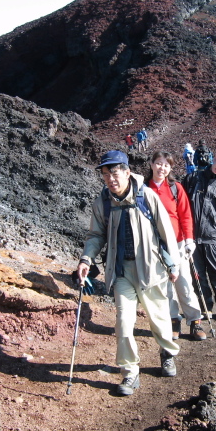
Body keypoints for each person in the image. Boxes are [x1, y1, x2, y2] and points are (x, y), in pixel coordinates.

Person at [76, 150, 180, 396]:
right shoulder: (102, 201)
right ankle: (130, 372)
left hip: (151, 269)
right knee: (123, 324)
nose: (110, 179)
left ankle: (167, 352)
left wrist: (173, 265)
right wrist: (85, 259)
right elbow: (96, 235)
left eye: (114, 172)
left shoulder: (147, 196)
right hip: (120, 270)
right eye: (105, 174)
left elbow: (166, 233)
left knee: (160, 320)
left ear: (126, 171)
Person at [144, 151, 206, 341]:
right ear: (151, 164)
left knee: (184, 281)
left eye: (166, 165)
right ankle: (173, 319)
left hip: (177, 243)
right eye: (159, 163)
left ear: (170, 168)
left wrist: (189, 240)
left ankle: (195, 320)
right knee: (164, 285)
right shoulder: (143, 188)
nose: (162, 168)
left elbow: (185, 215)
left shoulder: (176, 188)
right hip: (154, 244)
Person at [182, 152, 216, 321]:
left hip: (212, 238)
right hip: (191, 237)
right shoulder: (192, 179)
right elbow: (181, 206)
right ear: (215, 159)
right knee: (197, 275)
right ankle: (205, 306)